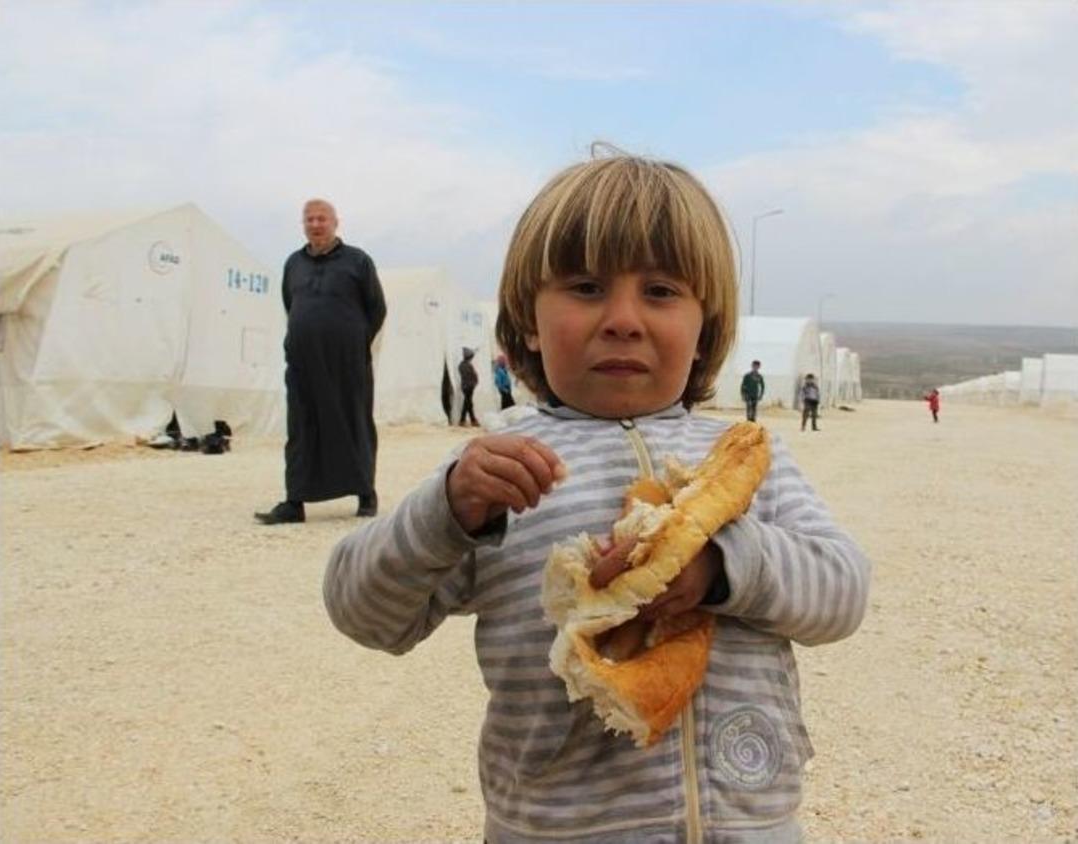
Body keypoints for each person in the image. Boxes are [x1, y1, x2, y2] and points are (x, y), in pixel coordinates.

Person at [323, 150, 870, 842]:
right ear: (527, 319)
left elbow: (843, 593)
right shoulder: (499, 473)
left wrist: (722, 564)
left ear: (705, 325)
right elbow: (366, 615)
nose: (623, 319)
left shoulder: (742, 459)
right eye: (585, 287)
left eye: (661, 291)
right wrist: (445, 512)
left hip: (749, 825)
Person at [255, 199, 386, 524]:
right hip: (303, 363)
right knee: (301, 426)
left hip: (347, 363)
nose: (315, 224)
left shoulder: (358, 261)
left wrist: (354, 341)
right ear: (303, 224)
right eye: (309, 219)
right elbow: (291, 304)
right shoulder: (293, 263)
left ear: (335, 222)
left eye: (321, 219)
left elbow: (376, 308)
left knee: (354, 420)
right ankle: (294, 501)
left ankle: (365, 493)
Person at [458, 347, 480, 427]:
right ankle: (462, 420)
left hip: (465, 386)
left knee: (468, 403)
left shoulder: (461, 365)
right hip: (469, 386)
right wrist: (475, 381)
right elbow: (471, 375)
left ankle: (473, 420)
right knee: (467, 403)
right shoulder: (467, 365)